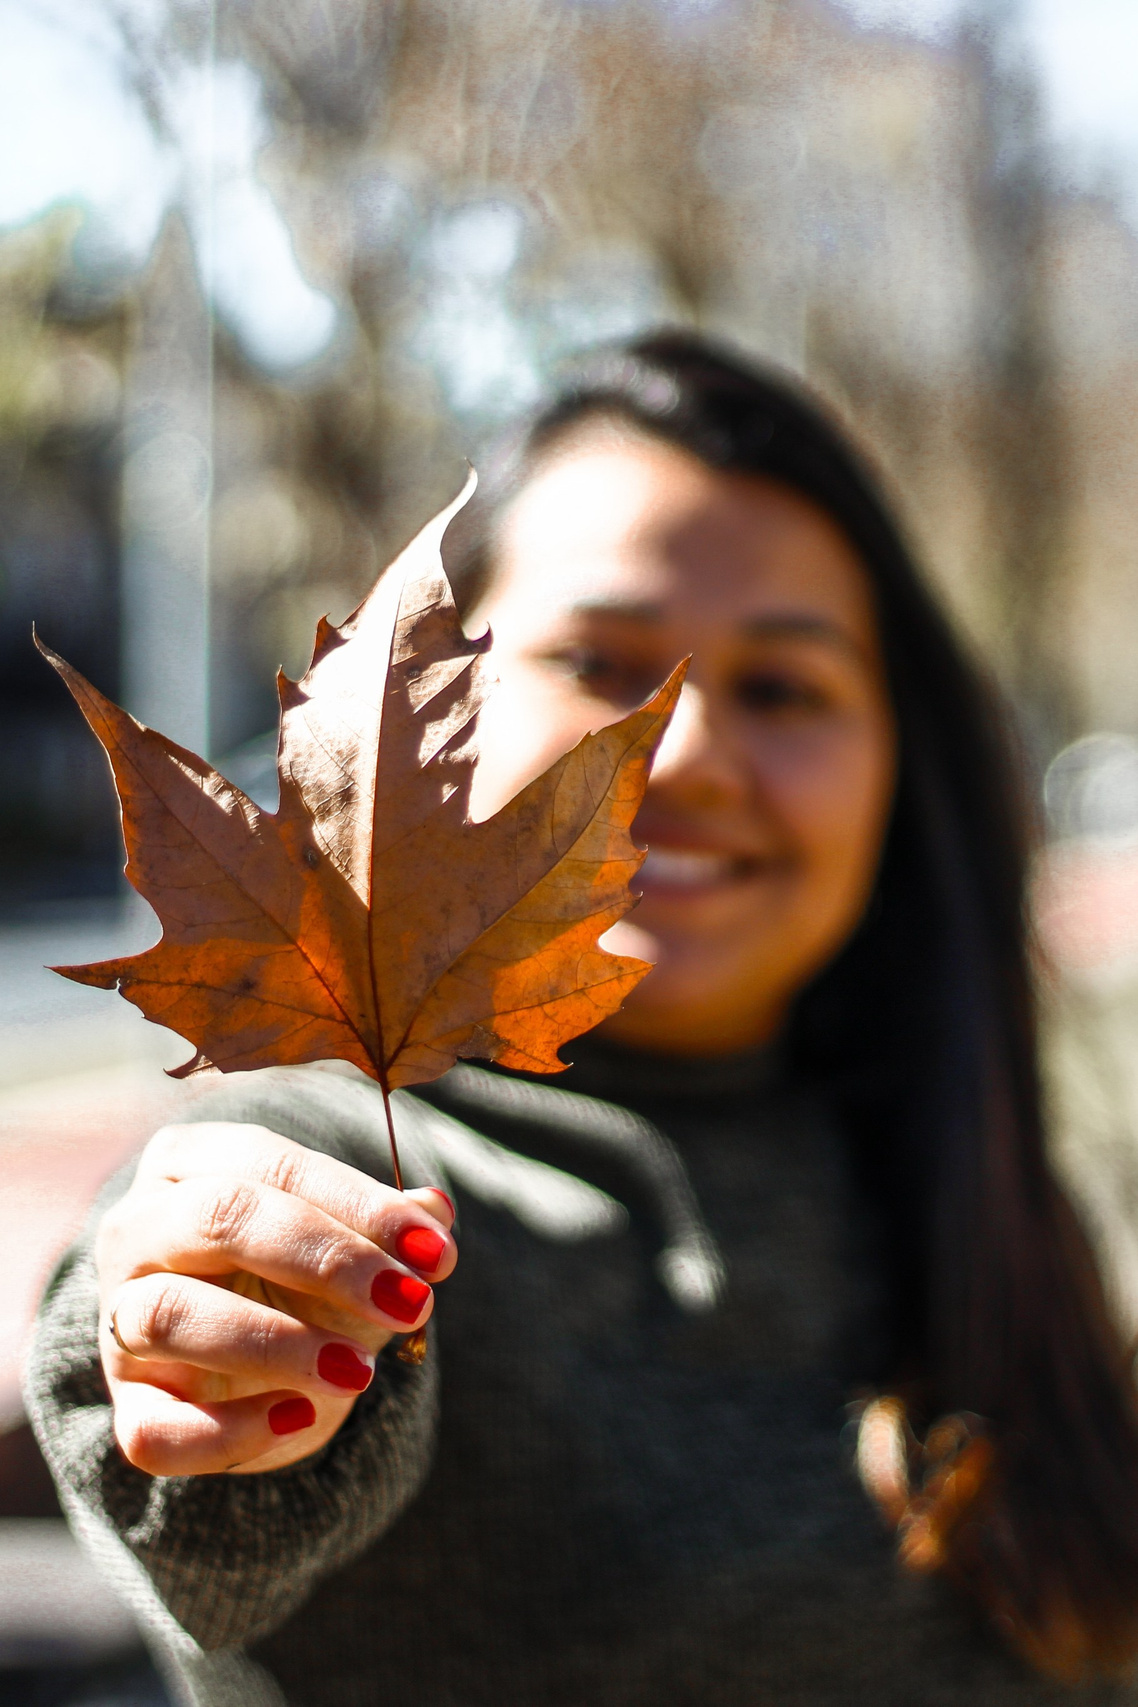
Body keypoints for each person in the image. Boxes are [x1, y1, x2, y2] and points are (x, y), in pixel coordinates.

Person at [26, 331, 1138, 1706]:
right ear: (423, 714)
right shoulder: (345, 1165)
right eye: (601, 661)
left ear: (897, 768)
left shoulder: (990, 1196)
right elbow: (195, 1487)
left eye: (784, 688)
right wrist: (205, 1348)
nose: (682, 754)